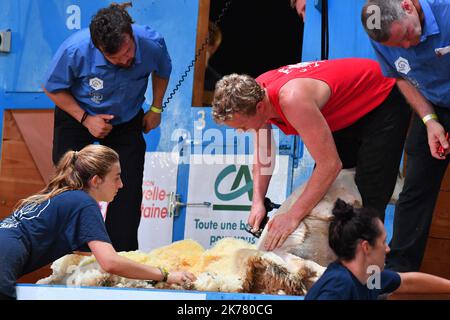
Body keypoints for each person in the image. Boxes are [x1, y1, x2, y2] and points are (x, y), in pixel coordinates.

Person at [212, 58, 411, 251]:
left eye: (243, 126)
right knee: (330, 193)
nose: (243, 131)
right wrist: (257, 201)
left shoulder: (291, 99)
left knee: (370, 190)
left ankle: (370, 272)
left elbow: (330, 165)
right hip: (346, 105)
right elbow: (264, 155)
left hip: (383, 94)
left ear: (259, 107)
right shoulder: (256, 92)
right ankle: (340, 265)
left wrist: (292, 217)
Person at [42, 2, 172, 251]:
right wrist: (85, 119)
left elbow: (163, 70)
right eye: (116, 58)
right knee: (69, 185)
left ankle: (121, 256)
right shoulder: (75, 50)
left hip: (127, 117)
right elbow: (52, 87)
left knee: (128, 188)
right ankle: (70, 253)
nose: (127, 59)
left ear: (130, 33)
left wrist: (156, 108)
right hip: (78, 116)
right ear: (98, 48)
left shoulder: (151, 42)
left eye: (128, 51)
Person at [0, 145, 195, 300]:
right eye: (116, 178)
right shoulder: (83, 202)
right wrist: (165, 274)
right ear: (96, 180)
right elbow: (110, 262)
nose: (121, 185)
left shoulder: (65, 198)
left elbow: (97, 255)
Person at [361, 0, 450, 272]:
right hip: (434, 106)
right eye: (398, 45)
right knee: (415, 189)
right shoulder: (382, 33)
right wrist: (429, 120)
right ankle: (399, 272)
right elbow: (400, 77)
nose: (408, 47)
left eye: (407, 36)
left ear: (408, 6)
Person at [305, 199, 450, 300]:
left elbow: (407, 282)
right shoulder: (339, 285)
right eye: (383, 242)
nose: (387, 249)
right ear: (366, 247)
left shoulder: (369, 278)